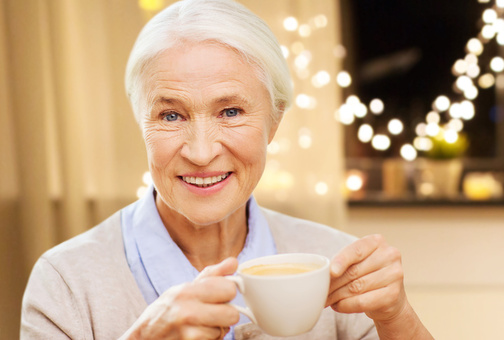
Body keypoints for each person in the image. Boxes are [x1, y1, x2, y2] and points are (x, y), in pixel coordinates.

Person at [20, 0, 434, 339]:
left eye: (231, 111)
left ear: (274, 121)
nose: (201, 153)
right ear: (141, 124)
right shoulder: (66, 283)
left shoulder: (332, 264)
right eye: (170, 116)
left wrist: (397, 317)